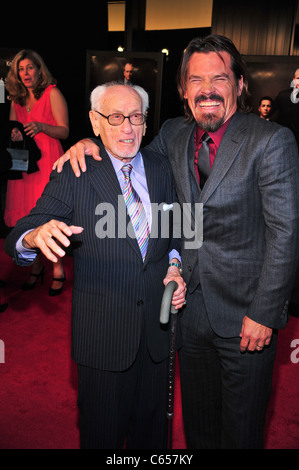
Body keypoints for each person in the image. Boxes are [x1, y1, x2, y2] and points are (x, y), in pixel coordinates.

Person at [54, 34, 299, 449]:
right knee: (198, 428)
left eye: (219, 78)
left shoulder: (271, 141)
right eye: (196, 80)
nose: (207, 89)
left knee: (241, 433)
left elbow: (286, 232)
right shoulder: (171, 134)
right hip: (187, 315)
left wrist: (265, 313)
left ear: (239, 84)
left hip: (246, 317)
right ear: (184, 89)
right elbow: (128, 153)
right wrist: (88, 142)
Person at [5, 82, 186, 449]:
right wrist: (34, 236)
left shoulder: (161, 167)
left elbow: (179, 230)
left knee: (152, 439)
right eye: (115, 117)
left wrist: (176, 265)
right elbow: (20, 233)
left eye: (136, 117)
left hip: (157, 335)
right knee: (101, 437)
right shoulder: (75, 171)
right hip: (102, 341)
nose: (127, 128)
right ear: (94, 120)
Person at [4, 49, 69, 295]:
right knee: (28, 215)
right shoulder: (16, 99)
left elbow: (64, 131)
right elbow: (14, 128)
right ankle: (35, 267)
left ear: (39, 69)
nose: (25, 73)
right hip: (25, 163)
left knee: (48, 215)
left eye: (30, 67)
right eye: (21, 69)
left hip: (49, 161)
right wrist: (16, 133)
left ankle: (58, 269)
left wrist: (42, 126)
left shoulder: (53, 93)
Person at [270, 68, 299, 147]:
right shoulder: (283, 95)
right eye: (298, 78)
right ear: (294, 80)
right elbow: (269, 113)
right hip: (284, 140)